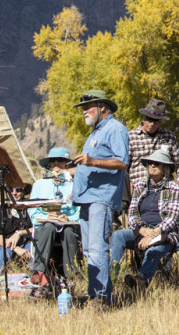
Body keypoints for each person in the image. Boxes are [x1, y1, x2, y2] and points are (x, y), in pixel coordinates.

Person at [71, 90, 129, 303]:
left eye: (88, 107)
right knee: (88, 250)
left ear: (102, 107)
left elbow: (122, 162)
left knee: (97, 249)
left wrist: (91, 162)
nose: (84, 112)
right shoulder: (96, 132)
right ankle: (98, 294)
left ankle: (101, 298)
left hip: (101, 199)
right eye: (83, 109)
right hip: (86, 198)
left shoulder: (115, 129)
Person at [110, 147, 179, 292]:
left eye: (157, 163)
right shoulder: (140, 186)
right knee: (119, 235)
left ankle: (141, 280)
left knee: (152, 251)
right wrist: (142, 230)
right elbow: (132, 213)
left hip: (165, 234)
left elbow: (172, 218)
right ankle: (110, 277)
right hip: (142, 231)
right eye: (150, 163)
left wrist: (154, 233)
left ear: (165, 168)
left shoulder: (174, 188)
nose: (152, 166)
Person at [29, 146, 80, 285]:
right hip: (46, 223)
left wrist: (69, 218)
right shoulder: (39, 184)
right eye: (53, 161)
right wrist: (46, 216)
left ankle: (72, 275)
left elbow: (80, 210)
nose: (57, 164)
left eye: (61, 161)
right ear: (49, 164)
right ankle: (40, 272)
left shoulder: (74, 185)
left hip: (67, 224)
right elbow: (32, 209)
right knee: (49, 227)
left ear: (66, 164)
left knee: (69, 232)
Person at [125, 99, 179, 209]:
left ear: (161, 122)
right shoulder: (131, 137)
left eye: (156, 121)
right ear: (144, 118)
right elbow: (124, 167)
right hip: (139, 191)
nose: (151, 124)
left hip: (165, 193)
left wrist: (178, 184)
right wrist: (128, 188)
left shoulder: (169, 137)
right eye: (149, 119)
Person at [0, 185, 33, 274]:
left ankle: (36, 280)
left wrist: (19, 233)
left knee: (34, 252)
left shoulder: (31, 206)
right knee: (4, 254)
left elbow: (37, 228)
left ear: (24, 191)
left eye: (18, 190)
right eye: (11, 190)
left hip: (26, 243)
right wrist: (15, 248)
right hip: (4, 245)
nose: (15, 193)